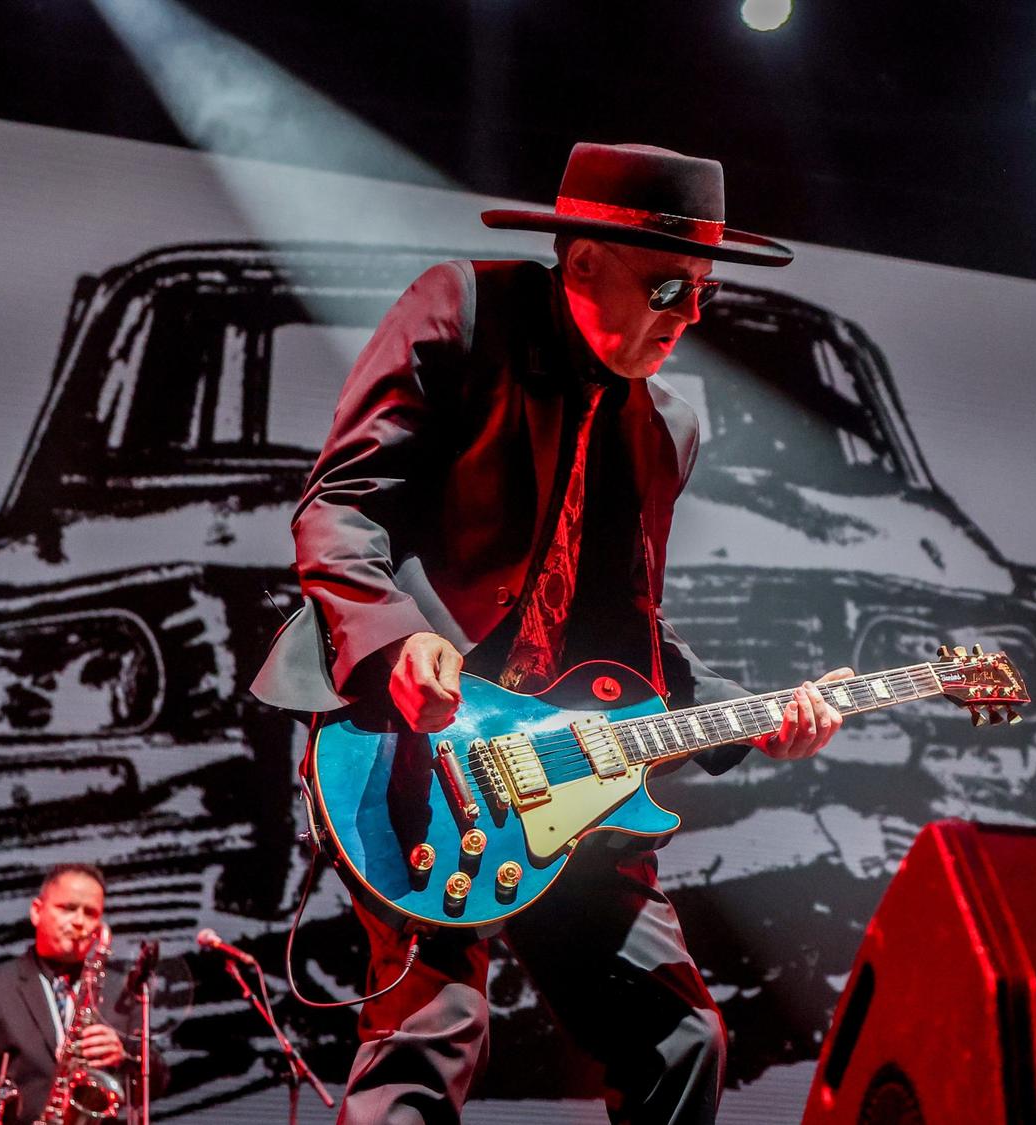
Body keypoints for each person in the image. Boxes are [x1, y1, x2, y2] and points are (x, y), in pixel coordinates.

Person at [251, 141, 853, 1123]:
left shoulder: (665, 428)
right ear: (580, 265)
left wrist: (756, 717)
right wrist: (402, 642)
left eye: (702, 292)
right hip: (412, 751)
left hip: (562, 773)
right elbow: (338, 507)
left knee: (682, 1039)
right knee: (431, 1034)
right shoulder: (467, 308)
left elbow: (630, 648)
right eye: (669, 286)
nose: (689, 317)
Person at [0, 863, 168, 1123]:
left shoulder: (122, 991)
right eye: (67, 908)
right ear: (36, 911)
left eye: (90, 913)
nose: (79, 922)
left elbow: (158, 1083)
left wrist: (126, 1057)